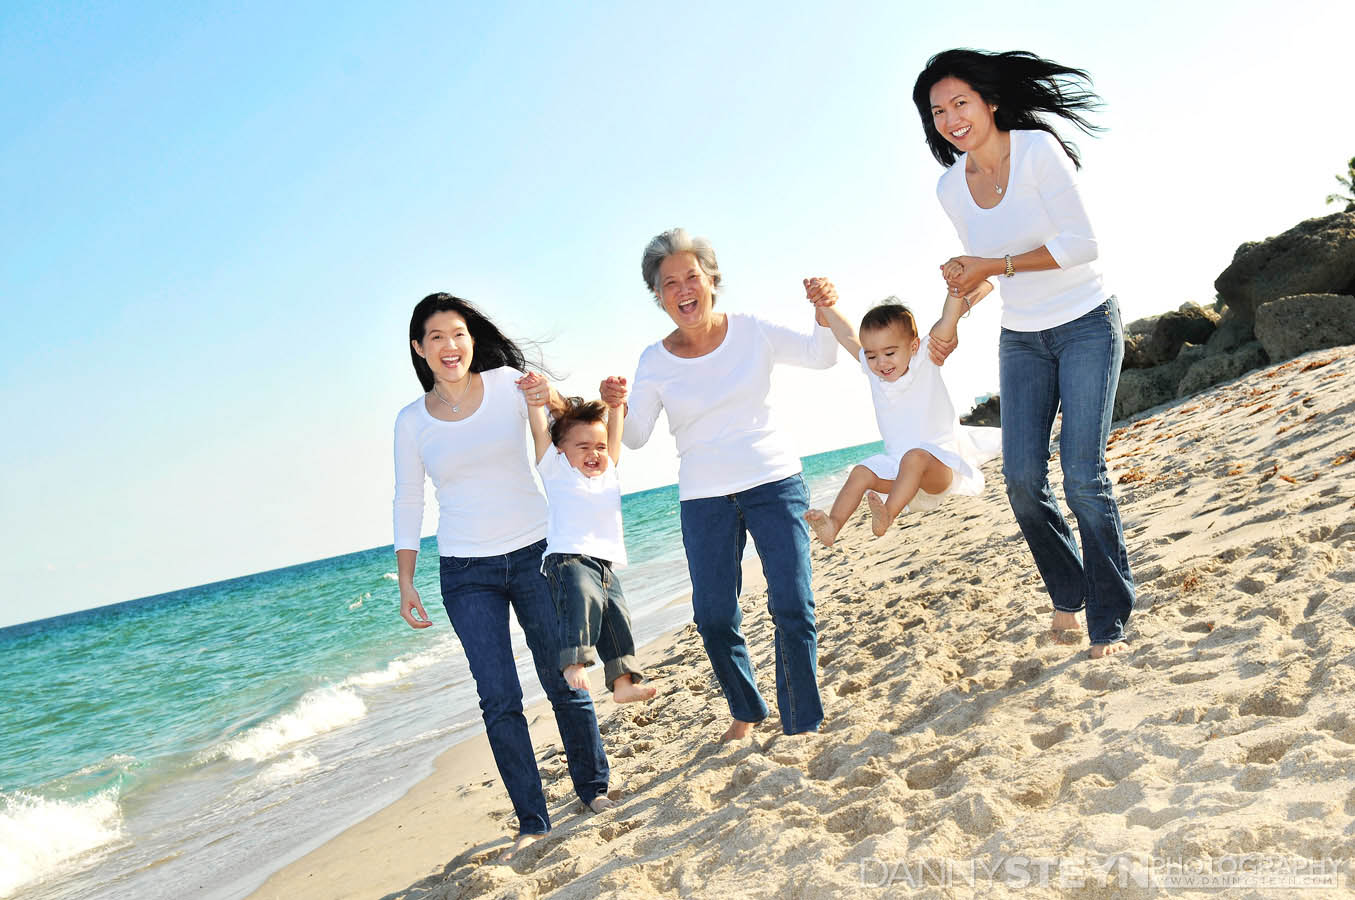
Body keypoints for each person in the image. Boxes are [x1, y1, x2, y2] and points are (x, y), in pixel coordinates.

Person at [912, 48, 1135, 658]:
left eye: (961, 102)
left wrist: (993, 265)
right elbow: (979, 273)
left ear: (990, 102)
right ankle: (1069, 591)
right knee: (1020, 479)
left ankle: (1109, 616)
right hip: (1023, 336)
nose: (952, 118)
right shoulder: (950, 188)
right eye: (938, 111)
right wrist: (950, 319)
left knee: (1084, 476)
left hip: (1087, 320)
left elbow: (1081, 245)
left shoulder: (1036, 149)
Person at [392, 293, 613, 861]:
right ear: (419, 349)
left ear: (471, 339)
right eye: (436, 337)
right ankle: (532, 819)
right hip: (465, 571)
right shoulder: (412, 422)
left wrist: (550, 398)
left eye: (458, 333)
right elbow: (409, 499)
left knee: (566, 675)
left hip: (538, 551)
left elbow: (561, 431)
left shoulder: (508, 384)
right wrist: (406, 580)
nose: (450, 345)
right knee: (499, 698)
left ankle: (593, 790)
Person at [600, 228, 838, 742]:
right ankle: (747, 710)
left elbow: (823, 355)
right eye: (669, 283)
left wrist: (823, 311)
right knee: (712, 616)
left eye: (692, 276)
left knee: (793, 605)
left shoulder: (752, 330)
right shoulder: (653, 360)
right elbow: (636, 436)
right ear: (658, 296)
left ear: (711, 280)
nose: (684, 289)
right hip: (704, 498)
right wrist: (615, 404)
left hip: (773, 481)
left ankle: (801, 720)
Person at [803, 282, 1000, 546]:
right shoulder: (874, 373)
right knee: (861, 471)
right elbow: (847, 335)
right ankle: (833, 526)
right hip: (898, 475)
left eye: (890, 353)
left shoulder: (925, 359)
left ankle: (888, 515)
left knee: (914, 456)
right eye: (871, 356)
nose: (881, 363)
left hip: (938, 466)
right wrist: (825, 306)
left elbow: (947, 320)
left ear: (914, 346)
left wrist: (955, 290)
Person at [516, 375, 657, 704]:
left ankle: (623, 681)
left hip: (605, 565)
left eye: (600, 446)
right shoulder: (556, 468)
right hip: (569, 559)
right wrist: (535, 400)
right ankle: (573, 661)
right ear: (562, 450)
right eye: (583, 447)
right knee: (580, 600)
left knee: (615, 617)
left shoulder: (609, 469)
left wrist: (616, 404)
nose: (594, 454)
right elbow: (540, 431)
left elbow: (615, 430)